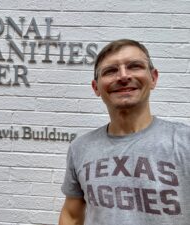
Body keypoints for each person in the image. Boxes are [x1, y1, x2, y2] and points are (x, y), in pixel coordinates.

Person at [59, 39, 190, 225]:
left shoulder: (184, 141)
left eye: (134, 66)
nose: (123, 76)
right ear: (96, 87)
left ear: (153, 78)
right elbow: (71, 215)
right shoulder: (80, 148)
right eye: (110, 71)